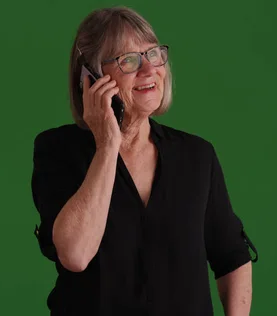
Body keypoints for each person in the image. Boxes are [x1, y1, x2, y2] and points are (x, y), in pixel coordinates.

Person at [31, 6, 258, 316]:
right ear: (91, 79)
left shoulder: (197, 156)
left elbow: (232, 257)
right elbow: (75, 254)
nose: (149, 70)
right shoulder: (57, 150)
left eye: (153, 54)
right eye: (128, 60)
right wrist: (108, 143)